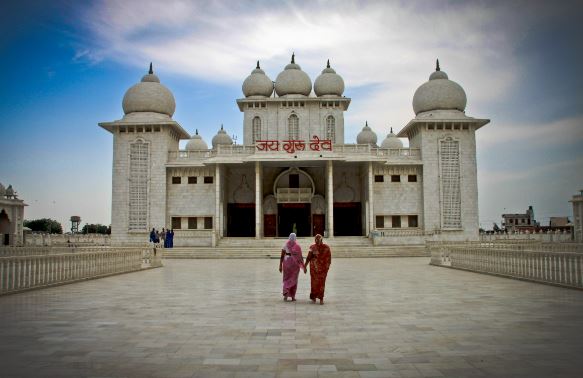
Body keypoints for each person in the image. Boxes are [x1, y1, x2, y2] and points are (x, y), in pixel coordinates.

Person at [305, 234, 332, 305]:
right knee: (314, 282)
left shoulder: (326, 248)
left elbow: (329, 258)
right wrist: (305, 266)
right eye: (316, 240)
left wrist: (327, 266)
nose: (316, 241)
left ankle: (321, 298)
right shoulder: (312, 247)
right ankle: (313, 296)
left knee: (321, 283)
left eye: (318, 240)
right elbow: (309, 257)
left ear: (321, 240)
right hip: (314, 269)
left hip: (323, 269)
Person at [279, 233, 306, 301]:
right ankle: (293, 297)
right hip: (295, 264)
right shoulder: (297, 246)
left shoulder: (285, 245)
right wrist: (303, 266)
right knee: (294, 279)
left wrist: (280, 265)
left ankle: (286, 294)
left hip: (286, 262)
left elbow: (282, 256)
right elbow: (300, 257)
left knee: (286, 279)